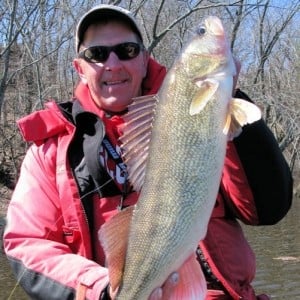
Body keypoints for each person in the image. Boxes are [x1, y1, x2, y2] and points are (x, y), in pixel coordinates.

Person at [3, 4, 293, 300]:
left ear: (144, 59)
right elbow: (27, 242)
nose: (113, 64)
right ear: (80, 68)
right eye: (97, 54)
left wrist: (229, 102)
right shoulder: (48, 153)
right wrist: (100, 289)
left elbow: (266, 208)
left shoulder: (200, 112)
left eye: (126, 50)